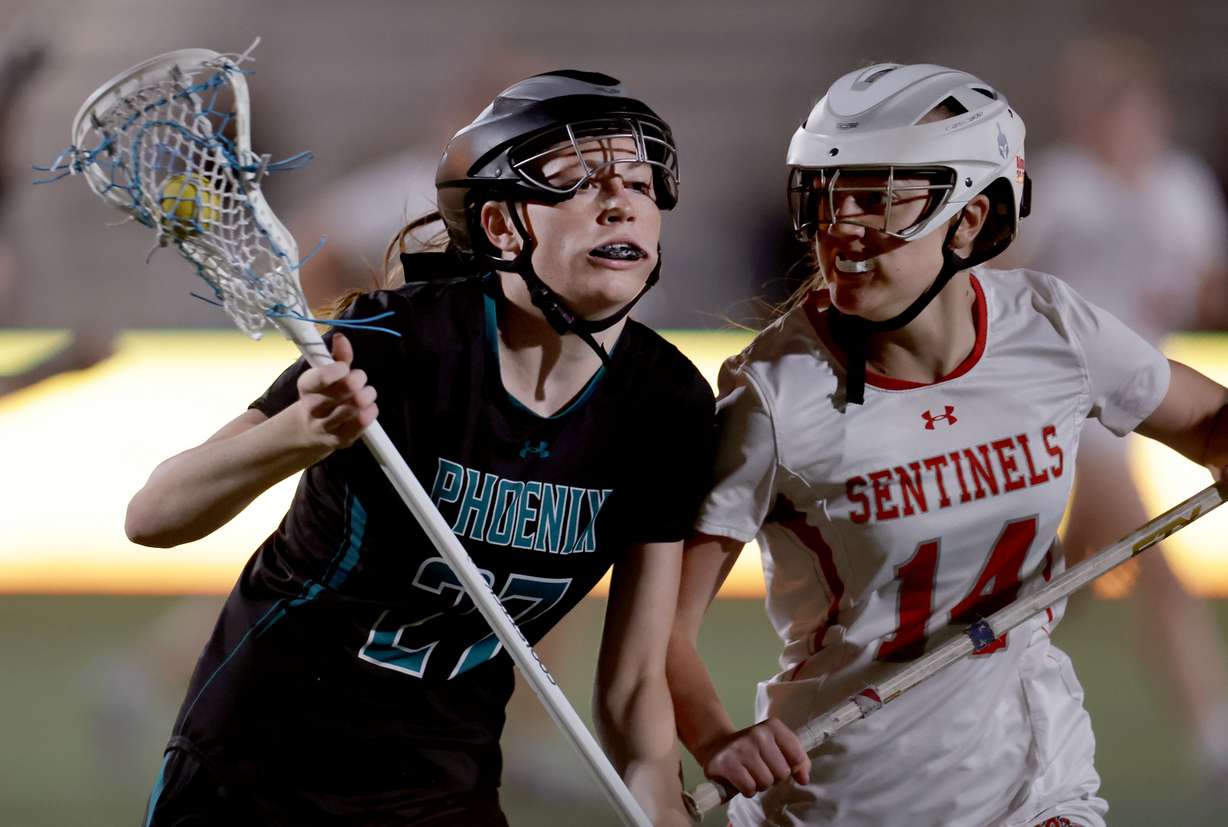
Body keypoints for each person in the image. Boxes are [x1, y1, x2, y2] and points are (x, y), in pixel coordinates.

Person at [130, 70, 714, 827]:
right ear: (503, 227)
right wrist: (295, 435)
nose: (621, 200)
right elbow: (154, 514)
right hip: (254, 775)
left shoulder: (666, 404)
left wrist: (659, 803)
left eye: (640, 180)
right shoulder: (396, 342)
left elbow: (635, 682)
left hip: (444, 791)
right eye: (576, 183)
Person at [666, 62, 1228, 827]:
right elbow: (661, 630)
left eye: (878, 196)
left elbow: (1207, 421)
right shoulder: (773, 392)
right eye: (829, 196)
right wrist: (717, 736)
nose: (843, 226)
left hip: (1039, 786)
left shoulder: (1053, 327)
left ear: (971, 217)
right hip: (846, 801)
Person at [1006, 33, 1228, 785]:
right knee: (1154, 559)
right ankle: (1212, 732)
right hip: (1073, 398)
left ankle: (994, 662)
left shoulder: (1182, 188)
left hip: (1145, 393)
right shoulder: (1063, 184)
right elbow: (1003, 270)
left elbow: (1204, 284)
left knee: (1064, 574)